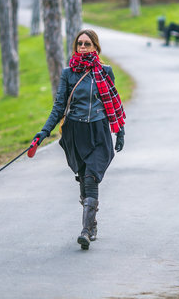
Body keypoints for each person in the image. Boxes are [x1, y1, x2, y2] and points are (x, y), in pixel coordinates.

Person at [32, 29, 126, 250]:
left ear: (95, 47)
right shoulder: (68, 74)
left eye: (87, 44)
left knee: (92, 178)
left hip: (99, 131)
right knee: (85, 183)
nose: (82, 47)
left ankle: (84, 231)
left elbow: (113, 102)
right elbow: (58, 107)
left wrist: (120, 131)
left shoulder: (105, 71)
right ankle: (91, 224)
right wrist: (43, 132)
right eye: (79, 44)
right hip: (76, 132)